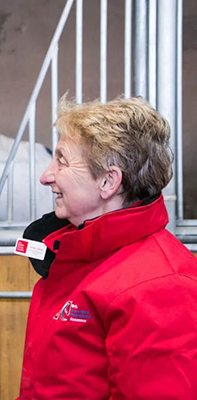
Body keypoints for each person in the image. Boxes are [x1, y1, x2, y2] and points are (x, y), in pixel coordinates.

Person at [18, 96, 197, 399]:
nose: (46, 176)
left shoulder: (163, 286)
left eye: (62, 161)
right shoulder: (75, 256)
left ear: (108, 182)